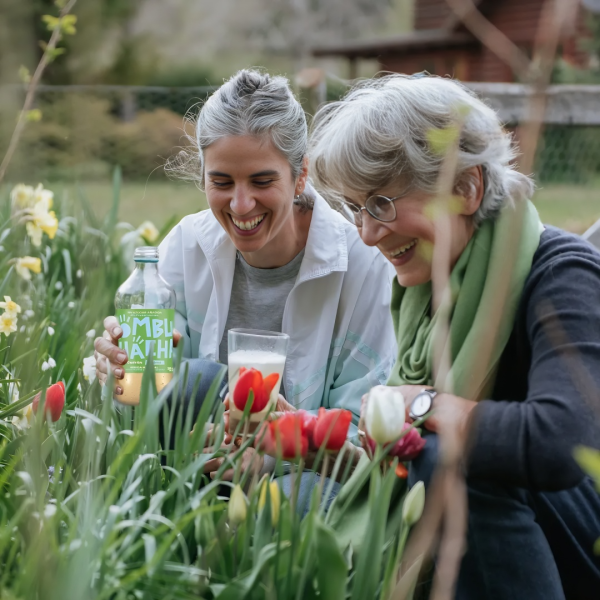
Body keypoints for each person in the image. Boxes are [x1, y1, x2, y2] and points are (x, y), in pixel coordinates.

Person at [309, 73, 600, 599]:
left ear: (466, 188)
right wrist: (305, 441)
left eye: (381, 204)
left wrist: (424, 405)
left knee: (450, 457)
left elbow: (566, 444)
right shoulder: (431, 293)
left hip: (583, 545)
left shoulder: (560, 273)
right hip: (511, 544)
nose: (368, 234)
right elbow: (404, 458)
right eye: (356, 208)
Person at [94, 69, 397, 482]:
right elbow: (150, 402)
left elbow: (366, 424)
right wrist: (118, 371)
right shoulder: (185, 247)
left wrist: (271, 455)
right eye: (221, 181)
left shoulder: (361, 264)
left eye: (261, 181)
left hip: (304, 480)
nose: (240, 205)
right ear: (202, 176)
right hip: (196, 469)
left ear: (300, 175)